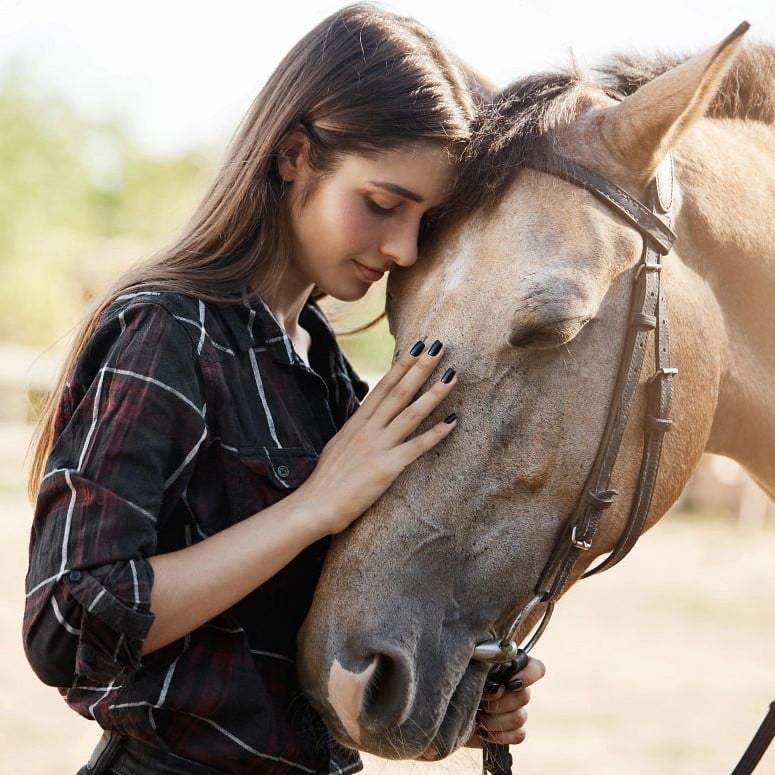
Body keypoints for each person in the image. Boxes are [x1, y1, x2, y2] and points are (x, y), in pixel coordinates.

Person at [23, 4, 545, 773]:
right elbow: (69, 624)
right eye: (381, 203)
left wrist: (459, 689)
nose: (402, 248)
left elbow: (293, 648)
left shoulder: (326, 372)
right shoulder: (167, 332)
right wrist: (312, 506)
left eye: (424, 221)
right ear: (295, 155)